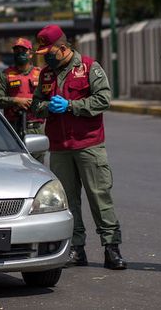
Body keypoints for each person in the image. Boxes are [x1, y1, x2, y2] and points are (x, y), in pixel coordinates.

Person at [31, 25, 126, 270]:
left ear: (62, 49)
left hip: (88, 145)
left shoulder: (88, 67)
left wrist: (72, 106)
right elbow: (36, 105)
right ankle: (76, 248)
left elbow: (104, 99)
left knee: (99, 196)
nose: (46, 58)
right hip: (60, 147)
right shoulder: (46, 75)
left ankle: (111, 247)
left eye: (49, 53)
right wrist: (47, 108)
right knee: (69, 201)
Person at [0, 38, 44, 163]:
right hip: (13, 128)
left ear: (30, 53)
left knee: (37, 165)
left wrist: (35, 103)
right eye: (17, 50)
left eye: (23, 51)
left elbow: (50, 98)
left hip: (35, 127)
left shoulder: (41, 74)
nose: (20, 53)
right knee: (15, 163)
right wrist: (16, 101)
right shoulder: (5, 75)